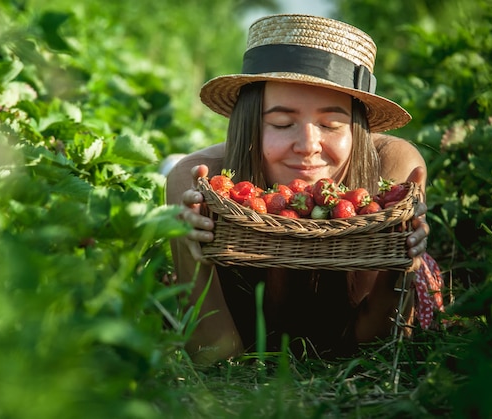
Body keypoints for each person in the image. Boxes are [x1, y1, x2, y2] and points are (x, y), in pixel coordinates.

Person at [166, 14, 439, 364]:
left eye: (332, 123)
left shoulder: (392, 169)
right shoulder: (199, 181)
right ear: (250, 123)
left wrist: (400, 262)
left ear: (356, 130)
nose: (308, 145)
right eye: (282, 123)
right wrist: (189, 249)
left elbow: (377, 349)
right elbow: (216, 355)